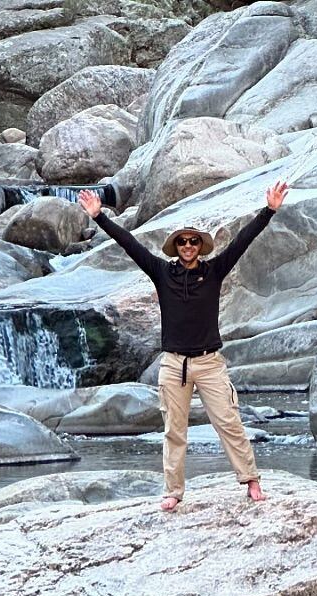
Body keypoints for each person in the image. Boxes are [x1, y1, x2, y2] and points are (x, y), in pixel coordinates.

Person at [78, 181, 290, 511]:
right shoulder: (162, 273)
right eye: (182, 242)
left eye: (193, 241)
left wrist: (269, 210)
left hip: (209, 363)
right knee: (174, 431)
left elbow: (242, 242)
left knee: (229, 422)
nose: (188, 245)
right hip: (174, 365)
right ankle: (173, 492)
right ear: (175, 247)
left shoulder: (215, 270)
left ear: (200, 247)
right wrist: (99, 217)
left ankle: (251, 480)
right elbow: (131, 245)